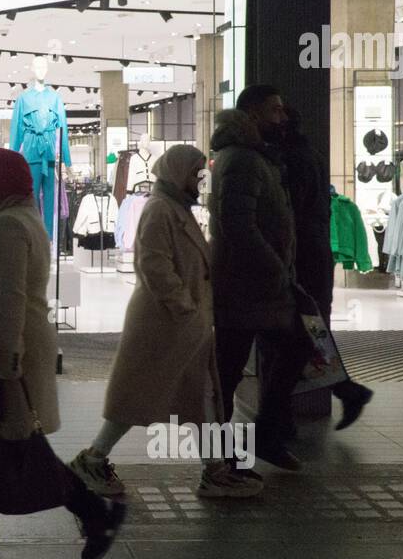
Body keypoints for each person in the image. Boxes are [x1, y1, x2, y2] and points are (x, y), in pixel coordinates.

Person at [0, 148, 125, 559]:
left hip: (7, 349)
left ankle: (93, 511)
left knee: (15, 443)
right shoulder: (20, 215)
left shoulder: (5, 223)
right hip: (7, 346)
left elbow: (12, 295)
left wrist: (6, 357)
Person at [69, 145, 263, 499]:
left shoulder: (176, 209)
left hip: (182, 326)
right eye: (193, 173)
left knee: (197, 398)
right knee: (140, 397)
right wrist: (185, 305)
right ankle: (93, 459)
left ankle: (213, 469)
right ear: (176, 173)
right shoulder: (160, 210)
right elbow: (155, 265)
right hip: (164, 324)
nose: (198, 179)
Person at [209, 86, 309, 471]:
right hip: (246, 285)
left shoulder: (254, 157)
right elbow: (238, 226)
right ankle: (229, 448)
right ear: (251, 114)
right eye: (275, 110)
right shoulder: (242, 160)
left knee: (243, 362)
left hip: (260, 285)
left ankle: (258, 436)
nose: (282, 118)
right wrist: (275, 267)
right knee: (229, 367)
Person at [273, 106, 374, 430]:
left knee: (303, 333)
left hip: (304, 258)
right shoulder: (306, 154)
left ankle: (274, 421)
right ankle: (343, 390)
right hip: (313, 256)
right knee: (308, 330)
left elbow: (294, 213)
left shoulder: (293, 159)